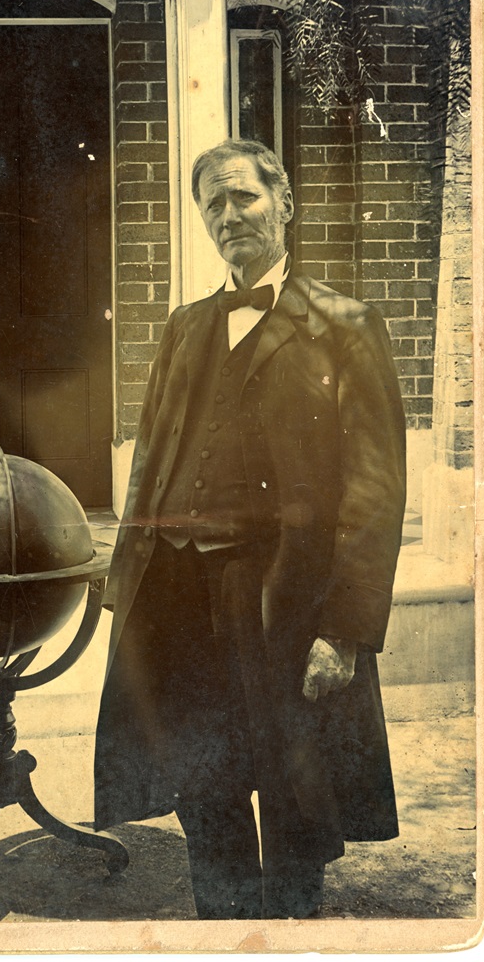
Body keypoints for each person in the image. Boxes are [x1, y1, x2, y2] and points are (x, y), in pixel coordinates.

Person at [94, 139, 406, 920]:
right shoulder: (184, 327)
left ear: (285, 204)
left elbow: (376, 493)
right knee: (202, 781)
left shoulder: (346, 326)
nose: (229, 215)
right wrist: (124, 586)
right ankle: (222, 932)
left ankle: (294, 934)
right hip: (177, 594)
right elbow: (152, 461)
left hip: (281, 602)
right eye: (213, 205)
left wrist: (346, 628)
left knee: (295, 788)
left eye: (244, 198)